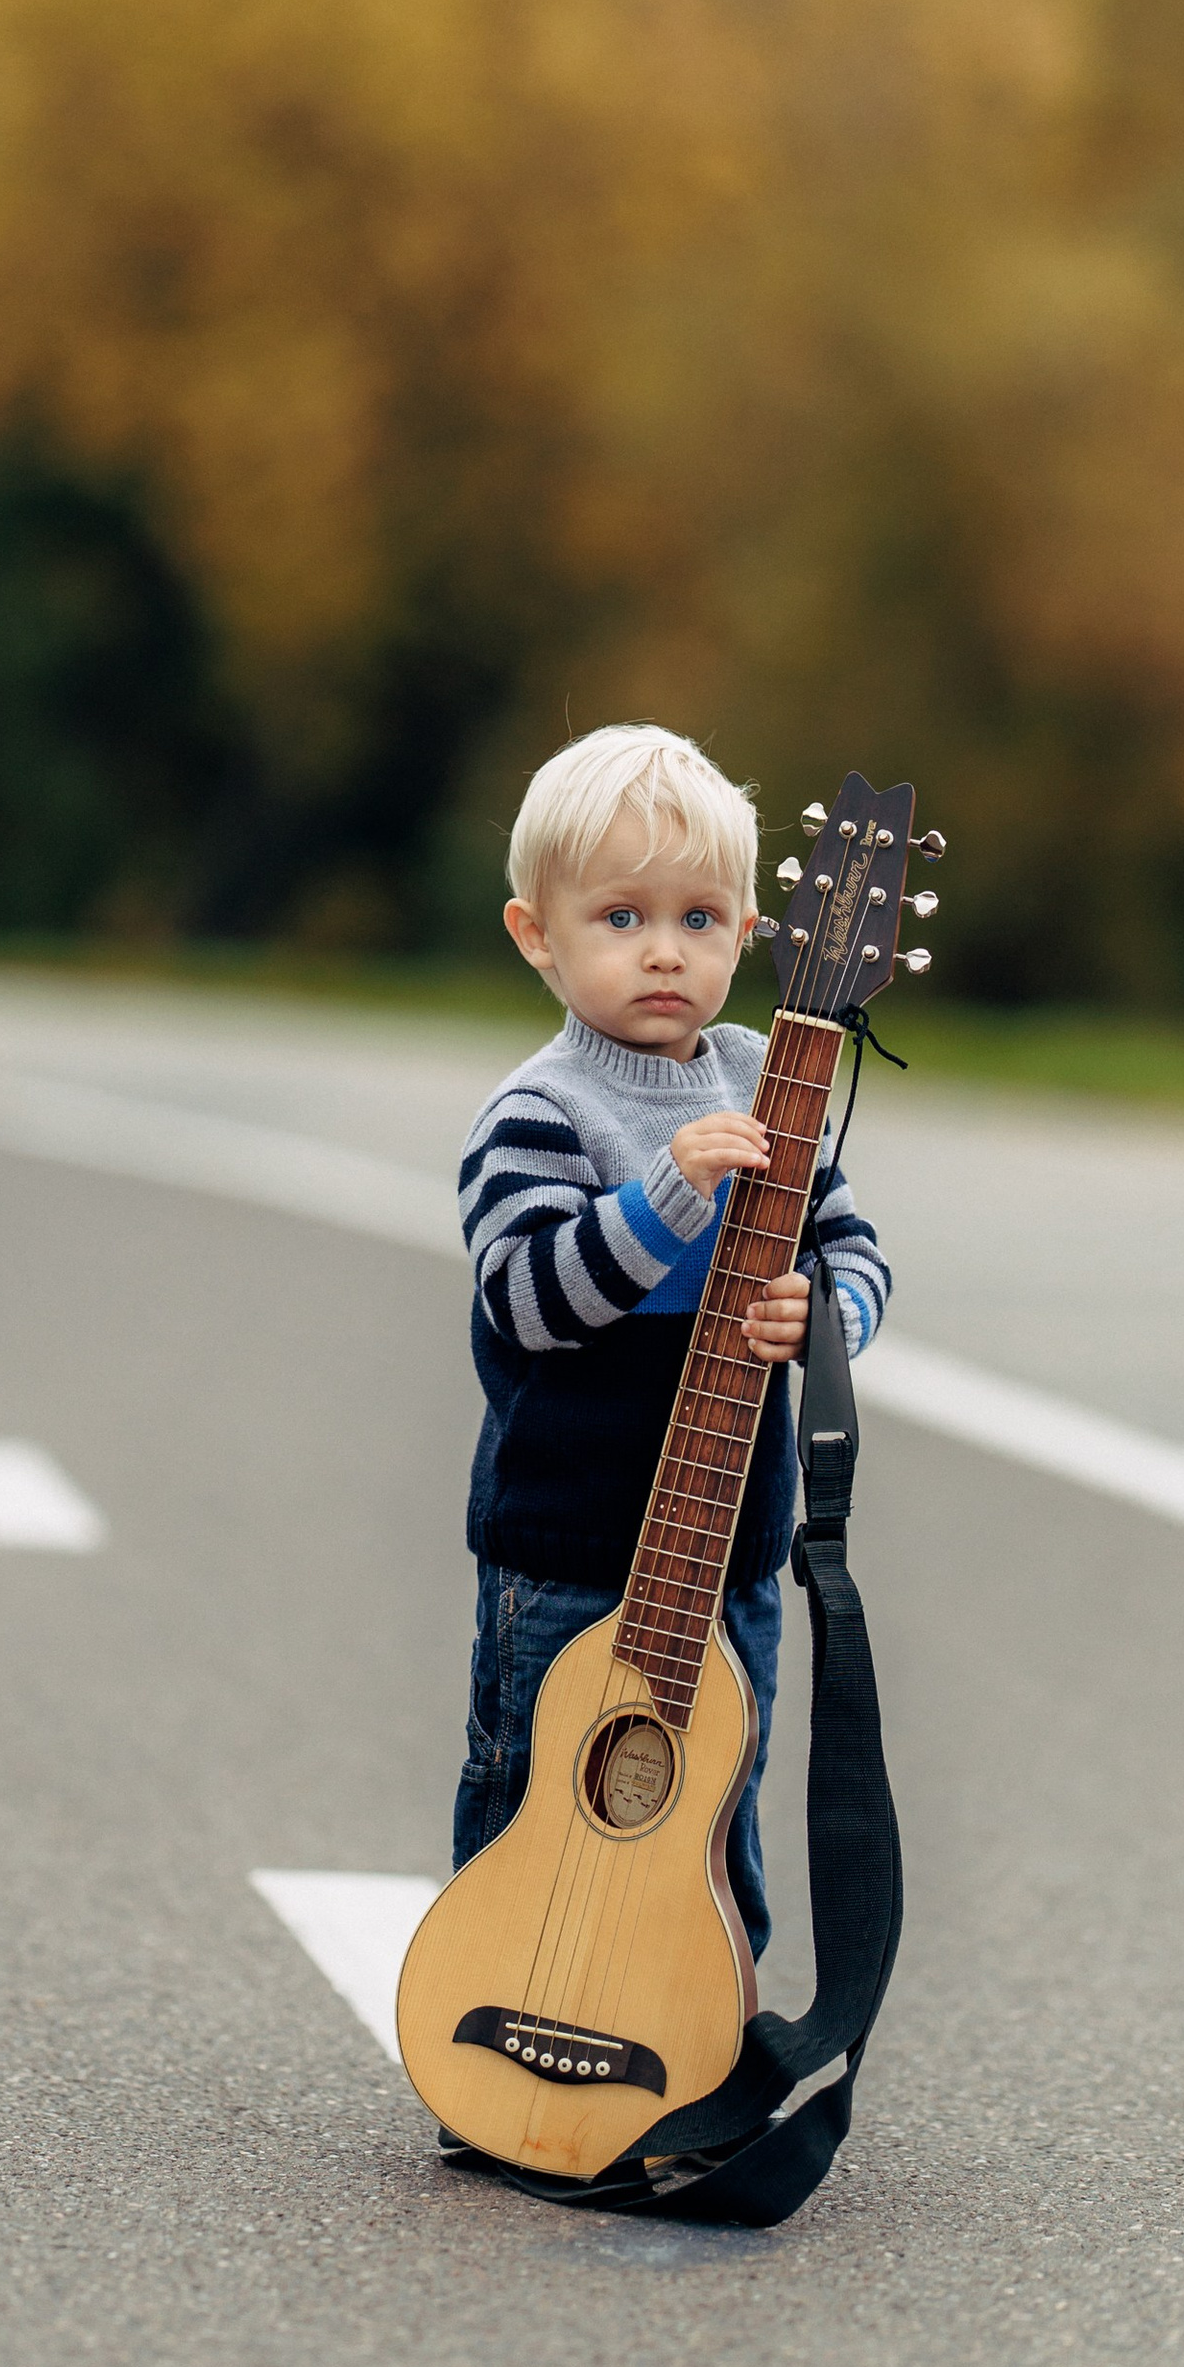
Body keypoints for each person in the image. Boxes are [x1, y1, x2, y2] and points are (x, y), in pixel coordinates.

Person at [451, 722, 891, 1955]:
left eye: (700, 920)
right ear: (537, 933)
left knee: (708, 1810)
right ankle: (494, 2034)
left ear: (756, 934)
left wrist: (828, 1320)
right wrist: (665, 1194)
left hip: (730, 1552)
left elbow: (851, 1251)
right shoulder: (541, 1111)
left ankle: (701, 2045)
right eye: (621, 918)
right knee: (540, 1793)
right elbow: (528, 1297)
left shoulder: (767, 1081)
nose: (663, 952)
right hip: (569, 1549)